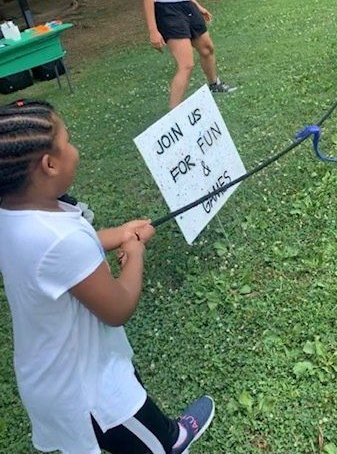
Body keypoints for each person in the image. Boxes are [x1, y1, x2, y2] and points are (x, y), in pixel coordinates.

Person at [0, 99, 215, 454]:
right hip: (91, 392)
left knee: (133, 393)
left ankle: (166, 434)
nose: (75, 149)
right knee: (155, 446)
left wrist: (119, 234)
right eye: (68, 141)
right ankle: (172, 441)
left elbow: (59, 261)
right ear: (49, 164)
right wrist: (135, 254)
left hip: (49, 373)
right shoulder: (60, 240)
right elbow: (118, 308)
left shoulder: (15, 214)